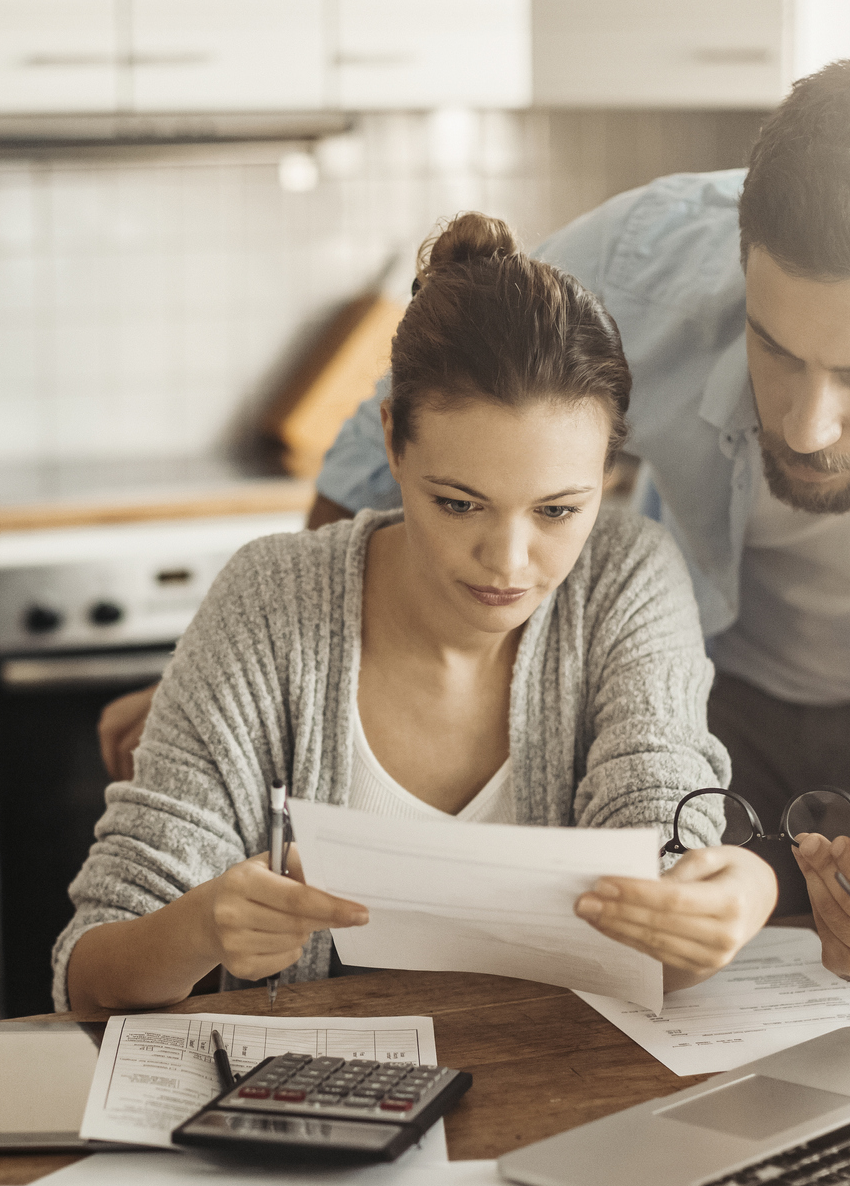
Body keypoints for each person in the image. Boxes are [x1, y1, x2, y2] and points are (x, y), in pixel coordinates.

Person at [102, 57, 850, 986]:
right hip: (693, 688)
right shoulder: (643, 261)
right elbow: (395, 443)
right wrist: (255, 666)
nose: (806, 421)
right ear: (742, 270)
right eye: (777, 348)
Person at [57, 214, 778, 1013]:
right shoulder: (270, 599)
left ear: (606, 472)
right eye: (459, 502)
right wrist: (196, 931)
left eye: (555, 511)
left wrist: (732, 894)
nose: (507, 562)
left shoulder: (625, 580)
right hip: (310, 1102)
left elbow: (659, 861)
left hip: (554, 1094)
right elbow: (89, 978)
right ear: (393, 444)